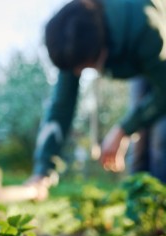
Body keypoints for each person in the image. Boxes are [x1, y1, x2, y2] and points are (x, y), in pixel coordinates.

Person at [28, 0, 166, 200]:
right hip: (140, 57)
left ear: (101, 47)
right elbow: (61, 106)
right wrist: (43, 169)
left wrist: (123, 129)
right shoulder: (74, 37)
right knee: (140, 149)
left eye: (85, 67)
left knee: (161, 140)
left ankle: (161, 215)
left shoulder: (147, 29)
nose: (80, 73)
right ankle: (141, 212)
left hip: (161, 49)